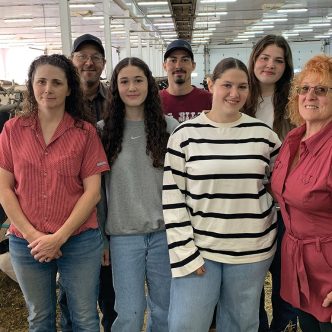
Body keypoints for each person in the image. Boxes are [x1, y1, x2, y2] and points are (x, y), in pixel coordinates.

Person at [163, 57, 281, 332]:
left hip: (252, 251)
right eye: (226, 85)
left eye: (242, 87)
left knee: (240, 324)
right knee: (186, 324)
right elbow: (173, 197)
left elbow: (282, 185)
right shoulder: (185, 135)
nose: (234, 93)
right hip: (200, 251)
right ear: (210, 84)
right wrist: (185, 252)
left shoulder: (264, 136)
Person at [0, 54, 109, 331]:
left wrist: (59, 237)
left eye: (57, 83)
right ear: (31, 85)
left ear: (69, 88)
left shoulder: (84, 133)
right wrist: (35, 236)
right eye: (41, 81)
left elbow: (92, 192)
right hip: (27, 242)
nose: (48, 89)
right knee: (39, 317)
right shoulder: (12, 130)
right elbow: (4, 189)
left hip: (79, 240)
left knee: (84, 316)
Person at [100, 57, 178, 331]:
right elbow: (97, 193)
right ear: (115, 88)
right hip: (123, 238)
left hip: (164, 235)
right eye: (124, 81)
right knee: (129, 314)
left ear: (150, 84)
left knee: (165, 310)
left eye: (138, 80)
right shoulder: (103, 132)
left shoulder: (171, 128)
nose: (132, 87)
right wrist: (103, 240)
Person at [58, 33, 117, 332]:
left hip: (109, 202)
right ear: (72, 61)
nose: (88, 62)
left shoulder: (116, 102)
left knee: (111, 294)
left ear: (104, 64)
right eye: (82, 56)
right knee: (71, 297)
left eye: (95, 57)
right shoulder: (60, 103)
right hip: (70, 210)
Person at [271, 54, 332, 332]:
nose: (310, 96)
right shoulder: (293, 139)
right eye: (304, 89)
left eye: (321, 90)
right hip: (298, 264)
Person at [245, 34, 298, 332]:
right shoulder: (239, 99)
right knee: (251, 281)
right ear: (254, 59)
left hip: (285, 207)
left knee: (284, 281)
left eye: (278, 60)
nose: (270, 65)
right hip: (249, 205)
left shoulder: (295, 103)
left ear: (286, 66)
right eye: (264, 57)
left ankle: (282, 326)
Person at [160, 39, 212, 122]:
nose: (178, 66)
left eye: (185, 60)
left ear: (193, 65)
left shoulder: (209, 100)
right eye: (173, 60)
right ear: (164, 66)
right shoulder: (154, 101)